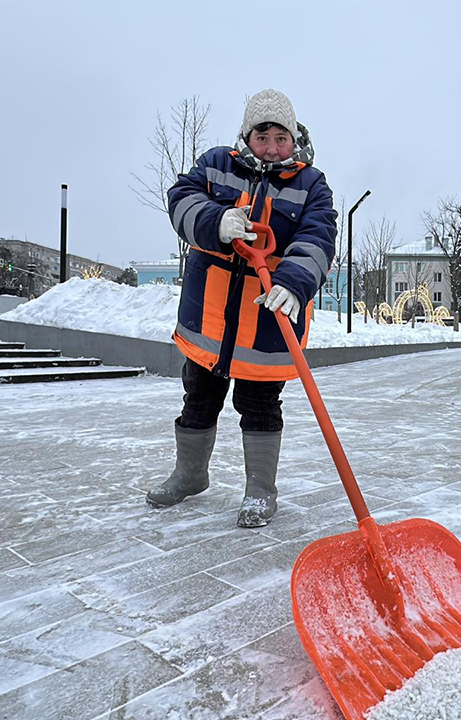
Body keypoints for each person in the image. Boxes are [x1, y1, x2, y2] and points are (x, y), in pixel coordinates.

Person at [146, 89, 338, 528]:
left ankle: (259, 491)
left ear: (295, 138)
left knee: (260, 405)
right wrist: (217, 221)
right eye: (262, 135)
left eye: (281, 137)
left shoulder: (312, 185)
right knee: (198, 398)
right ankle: (189, 475)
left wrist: (294, 282)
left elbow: (318, 236)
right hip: (209, 319)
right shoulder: (217, 164)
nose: (272, 146)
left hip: (266, 323)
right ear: (247, 136)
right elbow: (181, 198)